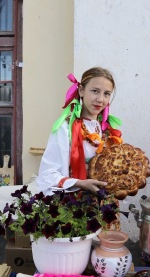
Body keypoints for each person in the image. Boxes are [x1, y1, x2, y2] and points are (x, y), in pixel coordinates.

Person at [36, 67, 123, 196]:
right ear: (81, 90)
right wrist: (79, 183)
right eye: (95, 91)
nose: (100, 99)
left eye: (106, 94)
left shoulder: (109, 131)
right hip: (74, 206)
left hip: (105, 205)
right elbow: (47, 174)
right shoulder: (65, 128)